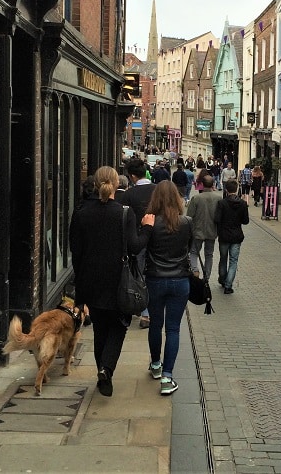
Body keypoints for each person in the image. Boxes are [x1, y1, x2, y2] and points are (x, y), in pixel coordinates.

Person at [70, 166, 155, 396]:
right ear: (117, 184)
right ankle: (106, 369)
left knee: (100, 330)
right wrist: (147, 228)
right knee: (118, 327)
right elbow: (136, 246)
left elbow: (75, 252)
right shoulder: (124, 213)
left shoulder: (81, 213)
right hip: (118, 281)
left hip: (91, 281)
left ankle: (102, 371)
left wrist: (80, 286)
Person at [144, 180, 192, 395]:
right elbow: (189, 248)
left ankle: (155, 365)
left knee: (155, 323)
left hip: (155, 279)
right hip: (180, 281)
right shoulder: (186, 222)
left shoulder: (150, 223)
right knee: (173, 329)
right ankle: (167, 377)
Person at [121, 158, 156, 329]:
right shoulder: (157, 191)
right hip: (157, 239)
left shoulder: (129, 194)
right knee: (152, 274)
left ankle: (140, 308)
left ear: (133, 176)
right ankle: (148, 312)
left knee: (138, 274)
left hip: (137, 240)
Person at [215, 179, 249, 294]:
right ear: (237, 189)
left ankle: (223, 280)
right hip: (236, 236)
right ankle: (228, 286)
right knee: (233, 261)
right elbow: (245, 221)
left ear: (226, 190)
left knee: (223, 258)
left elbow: (217, 219)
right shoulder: (243, 204)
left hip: (224, 236)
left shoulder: (222, 203)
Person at [187, 174, 222, 281]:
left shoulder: (196, 198)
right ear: (213, 184)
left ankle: (195, 270)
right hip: (212, 231)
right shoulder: (218, 198)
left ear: (202, 184)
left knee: (193, 252)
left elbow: (189, 216)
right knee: (209, 254)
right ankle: (206, 278)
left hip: (197, 230)